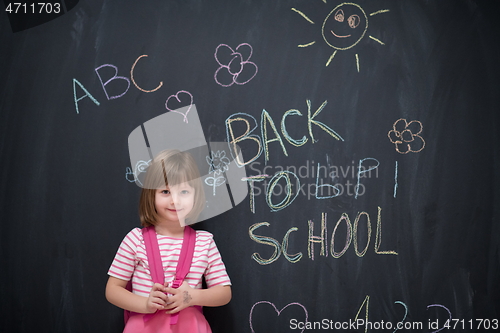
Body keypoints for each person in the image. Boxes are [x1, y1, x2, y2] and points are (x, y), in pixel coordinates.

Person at [106, 149, 232, 333]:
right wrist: (145, 304)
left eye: (184, 191)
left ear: (195, 195)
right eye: (166, 191)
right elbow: (113, 290)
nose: (175, 200)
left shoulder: (205, 242)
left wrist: (191, 297)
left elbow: (224, 293)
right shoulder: (135, 240)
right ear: (151, 194)